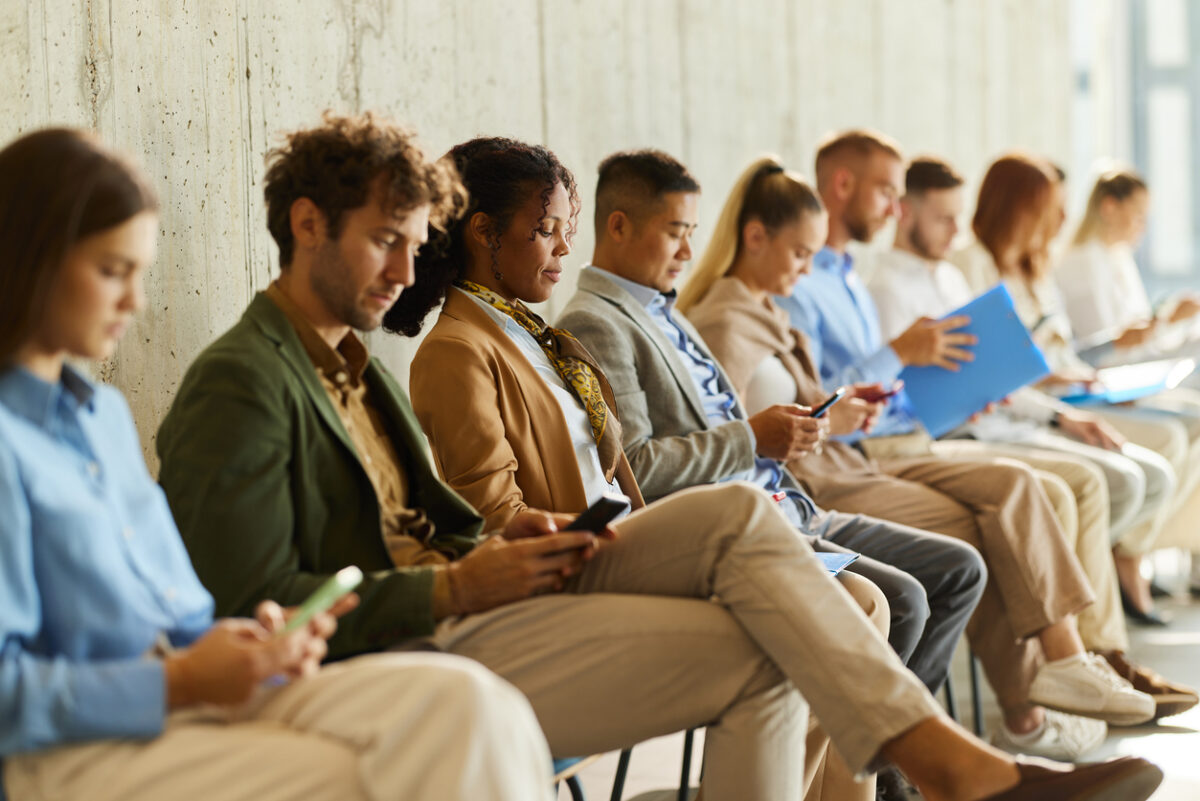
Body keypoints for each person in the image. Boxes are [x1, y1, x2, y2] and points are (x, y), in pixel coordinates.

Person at [389, 133, 1163, 801]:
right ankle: (961, 771)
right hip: (572, 566)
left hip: (623, 537)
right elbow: (496, 524)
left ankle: (924, 776)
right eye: (548, 230)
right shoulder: (460, 350)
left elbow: (609, 463)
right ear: (485, 234)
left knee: (863, 598)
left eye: (567, 228)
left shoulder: (533, 333)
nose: (565, 246)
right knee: (738, 513)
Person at [0, 127, 555, 801]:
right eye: (112, 272)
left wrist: (250, 641)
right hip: (71, 746)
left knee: (471, 704)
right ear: (28, 258)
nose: (135, 302)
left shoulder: (103, 417)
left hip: (192, 695)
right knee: (380, 764)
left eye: (139, 274)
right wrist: (179, 681)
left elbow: (179, 609)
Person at [772, 130, 1165, 750]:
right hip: (866, 455)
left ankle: (1062, 677)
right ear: (842, 187)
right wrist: (901, 357)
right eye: (886, 192)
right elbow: (815, 394)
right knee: (1009, 507)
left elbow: (877, 391)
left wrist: (965, 382)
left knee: (1027, 493)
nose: (894, 207)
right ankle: (1031, 705)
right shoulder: (814, 286)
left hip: (910, 437)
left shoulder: (848, 278)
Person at [555, 150, 985, 714]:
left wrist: (785, 436)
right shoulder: (598, 321)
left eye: (692, 233)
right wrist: (752, 439)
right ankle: (884, 769)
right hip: (735, 524)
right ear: (618, 226)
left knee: (956, 570)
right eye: (674, 233)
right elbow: (636, 466)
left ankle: (885, 765)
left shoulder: (664, 309)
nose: (688, 251)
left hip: (786, 501)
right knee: (902, 600)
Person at [866, 154, 1198, 726]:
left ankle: (1100, 656)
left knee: (1095, 481)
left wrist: (1041, 408)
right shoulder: (884, 284)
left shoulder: (948, 275)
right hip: (943, 434)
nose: (954, 229)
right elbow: (882, 390)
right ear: (904, 212)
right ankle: (1081, 662)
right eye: (943, 217)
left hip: (998, 415)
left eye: (957, 216)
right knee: (1078, 485)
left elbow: (1001, 371)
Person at [950, 153, 1200, 623]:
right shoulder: (969, 268)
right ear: (1019, 208)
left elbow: (1063, 351)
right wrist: (1053, 388)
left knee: (1165, 448)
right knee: (1133, 468)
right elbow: (994, 371)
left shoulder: (1035, 267)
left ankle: (1105, 604)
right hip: (1029, 409)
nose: (1062, 219)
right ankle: (1109, 592)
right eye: (1051, 208)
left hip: (1065, 394)